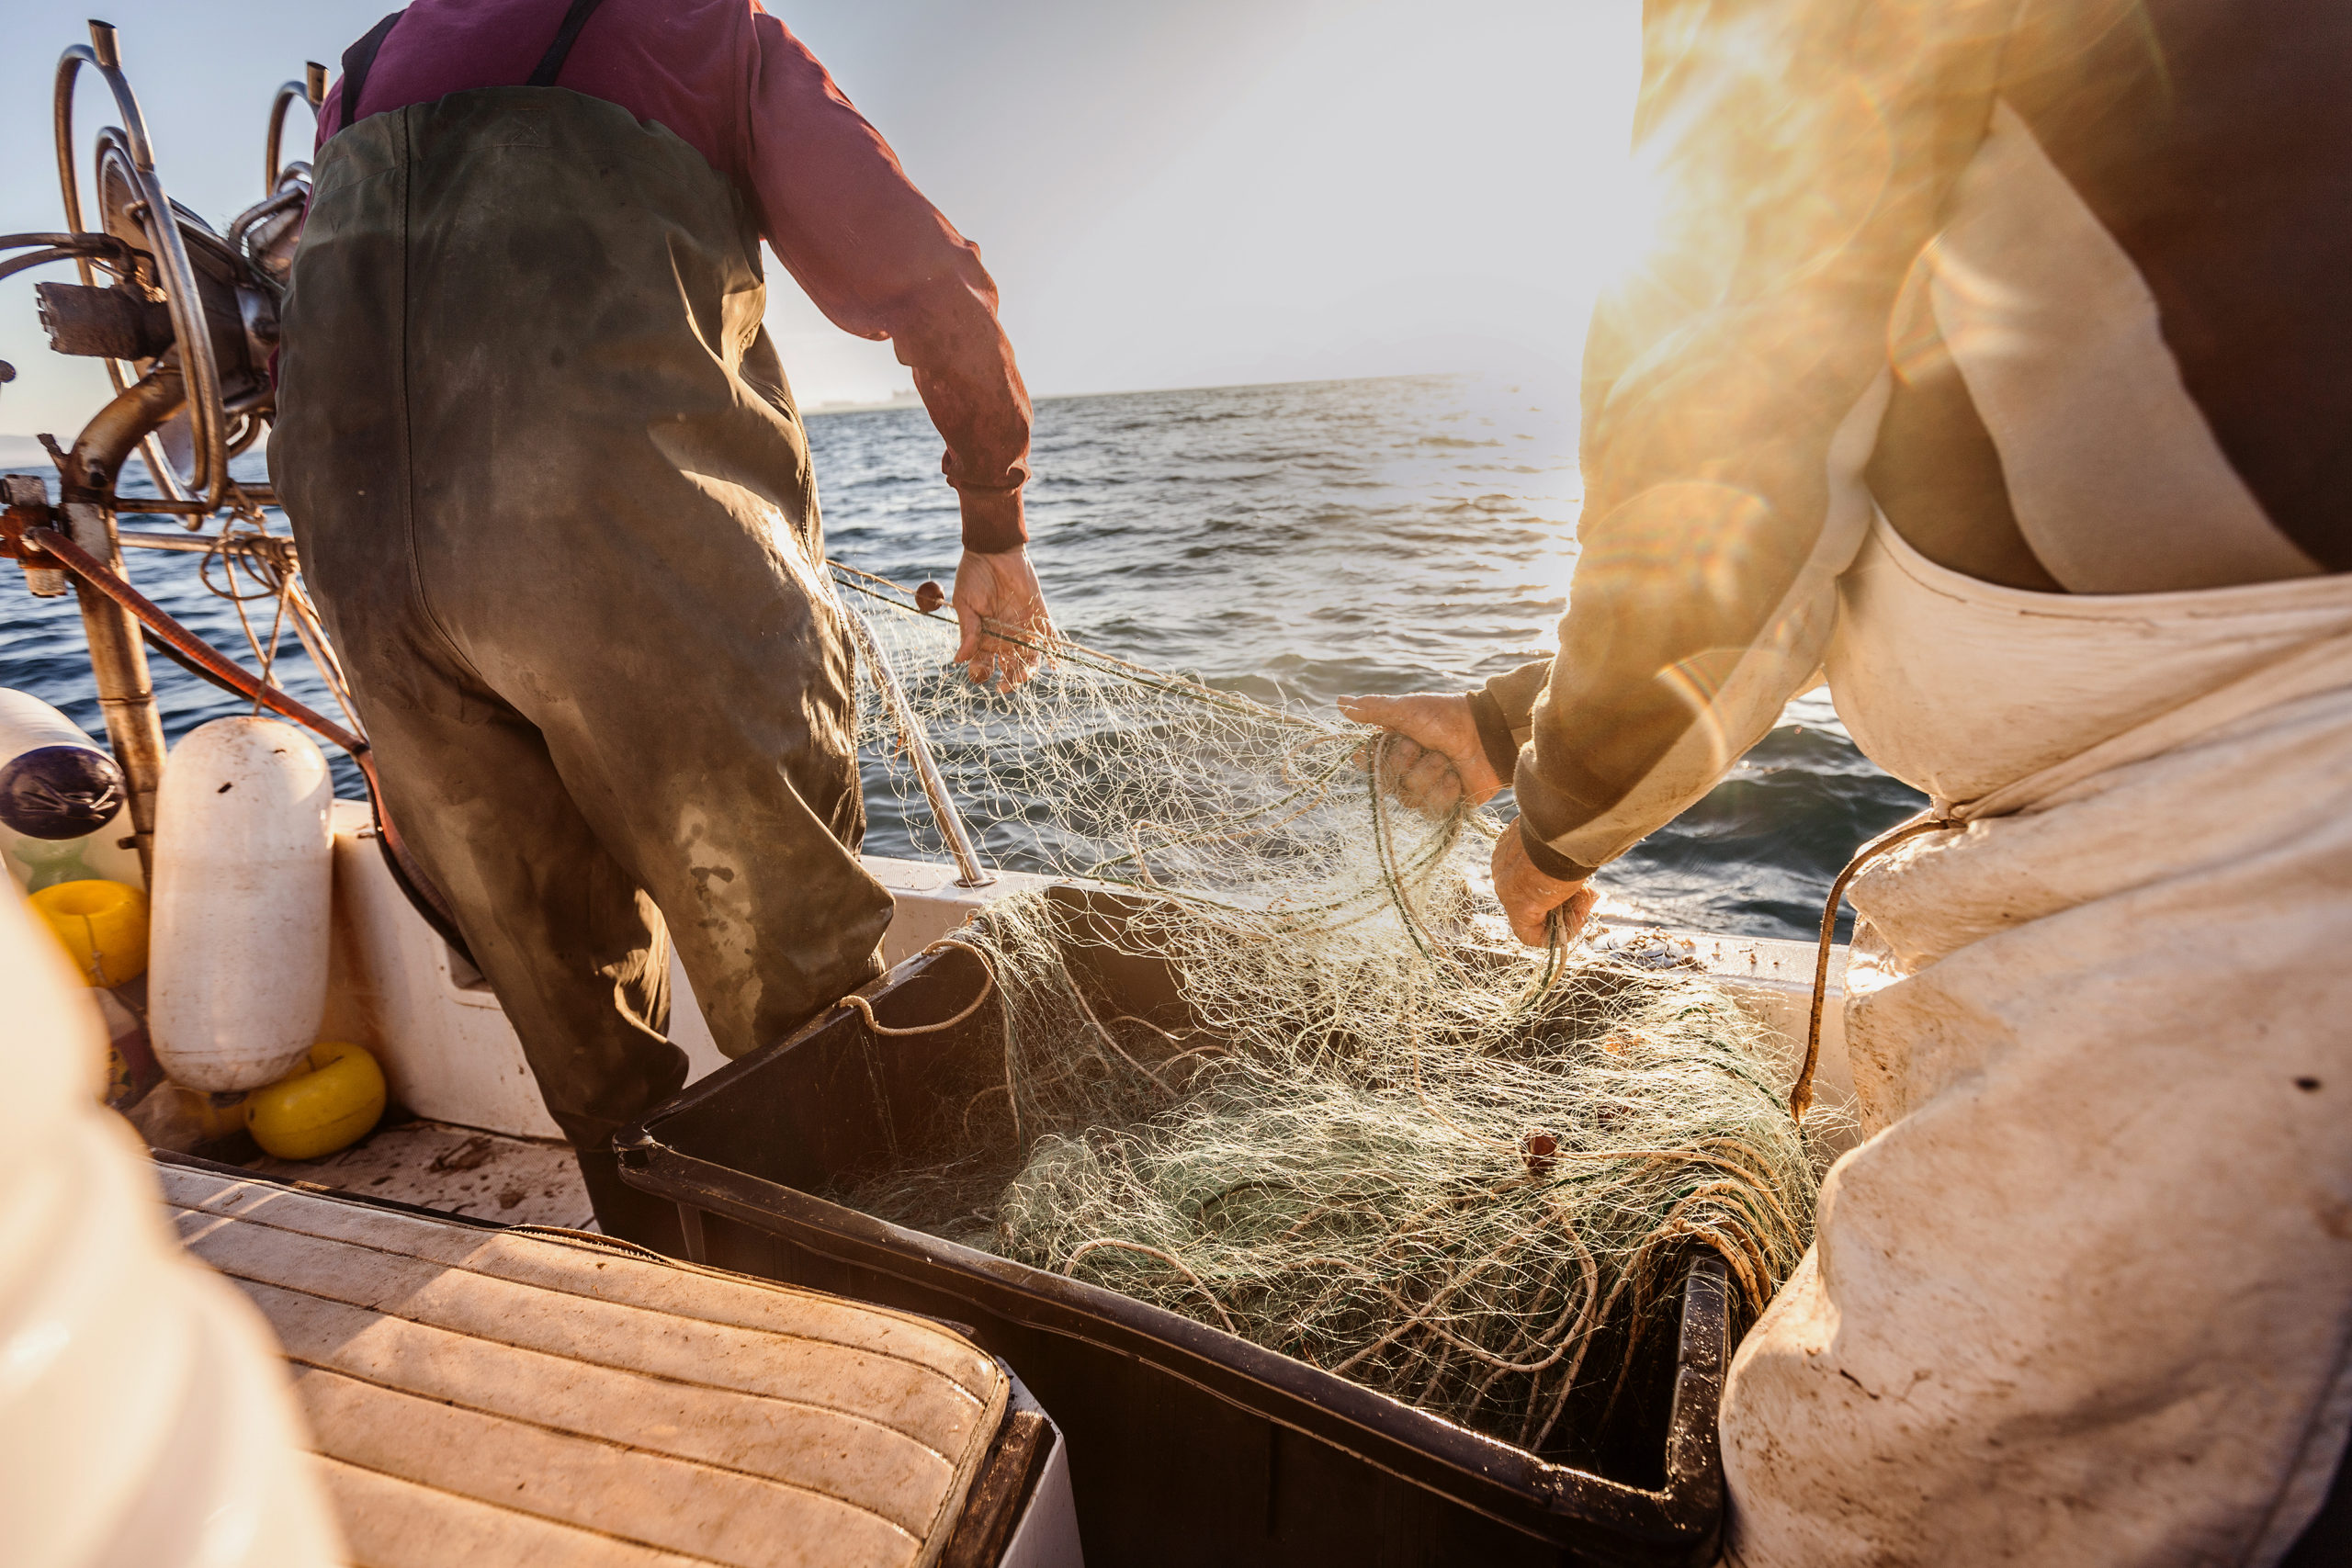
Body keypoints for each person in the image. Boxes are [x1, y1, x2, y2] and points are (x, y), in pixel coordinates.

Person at [1345, 0, 2352, 1561]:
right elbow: (1863, 479)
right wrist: (1506, 723)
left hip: (2271, 798)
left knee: (1898, 1490)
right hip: (2201, 766)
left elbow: (1728, 464)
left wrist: (1550, 834)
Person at [271, 0, 1055, 1250]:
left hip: (372, 588)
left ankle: (657, 1258)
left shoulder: (366, 66)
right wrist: (993, 523)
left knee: (563, 1003)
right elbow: (923, 279)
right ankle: (869, 1308)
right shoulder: (702, 23)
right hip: (627, 563)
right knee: (797, 988)